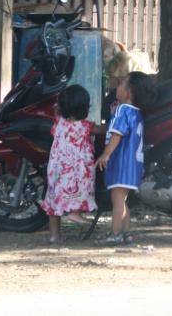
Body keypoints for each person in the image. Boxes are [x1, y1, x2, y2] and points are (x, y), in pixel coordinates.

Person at [96, 71, 157, 245]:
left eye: (122, 83)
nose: (118, 86)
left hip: (122, 163)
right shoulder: (135, 112)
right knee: (122, 201)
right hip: (133, 166)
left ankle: (114, 234)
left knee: (117, 201)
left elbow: (117, 134)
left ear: (129, 92)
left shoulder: (123, 109)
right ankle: (126, 233)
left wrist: (106, 154)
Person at [41, 85, 97, 244]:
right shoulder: (87, 126)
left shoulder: (58, 123)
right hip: (76, 169)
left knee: (53, 202)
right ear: (84, 108)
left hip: (56, 170)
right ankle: (74, 211)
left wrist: (59, 107)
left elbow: (55, 110)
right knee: (80, 188)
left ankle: (54, 236)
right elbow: (105, 130)